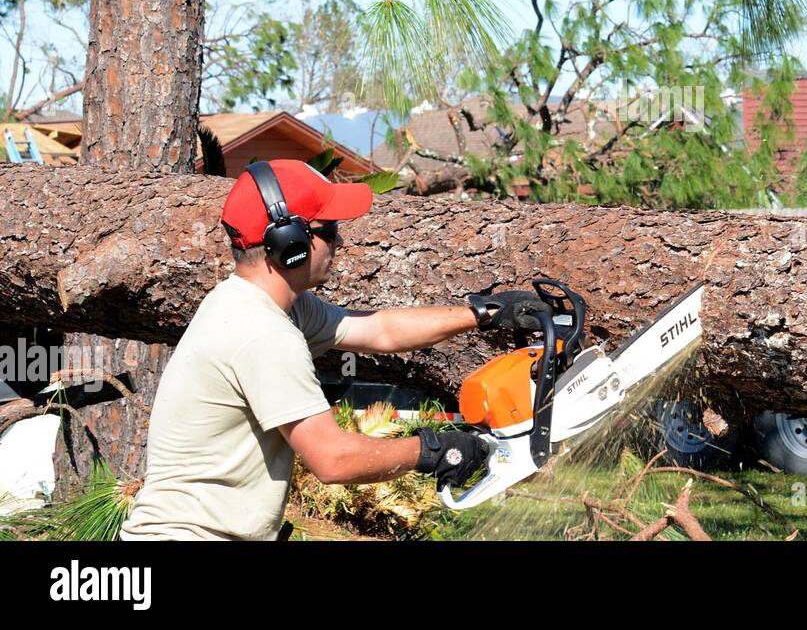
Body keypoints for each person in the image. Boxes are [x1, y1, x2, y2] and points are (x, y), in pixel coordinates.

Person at [119, 159, 542, 541]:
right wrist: (435, 451)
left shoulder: (264, 304)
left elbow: (378, 329)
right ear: (290, 243)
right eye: (330, 231)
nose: (340, 243)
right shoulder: (261, 332)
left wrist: (481, 314)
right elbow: (333, 459)